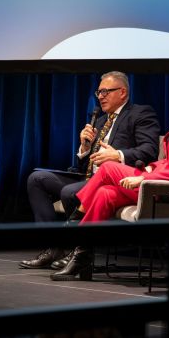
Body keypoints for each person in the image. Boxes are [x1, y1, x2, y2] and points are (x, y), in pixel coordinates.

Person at [51, 71, 169, 281]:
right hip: (158, 181)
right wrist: (151, 168)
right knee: (105, 193)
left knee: (109, 167)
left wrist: (143, 179)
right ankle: (82, 255)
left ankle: (72, 226)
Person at [19, 71, 160, 270]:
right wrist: (84, 148)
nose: (101, 96)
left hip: (114, 181)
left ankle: (75, 250)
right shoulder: (100, 121)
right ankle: (52, 247)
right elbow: (83, 166)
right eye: (99, 92)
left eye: (106, 92)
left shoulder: (140, 113)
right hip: (87, 177)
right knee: (37, 178)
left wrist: (118, 155)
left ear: (122, 92)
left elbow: (149, 150)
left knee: (69, 192)